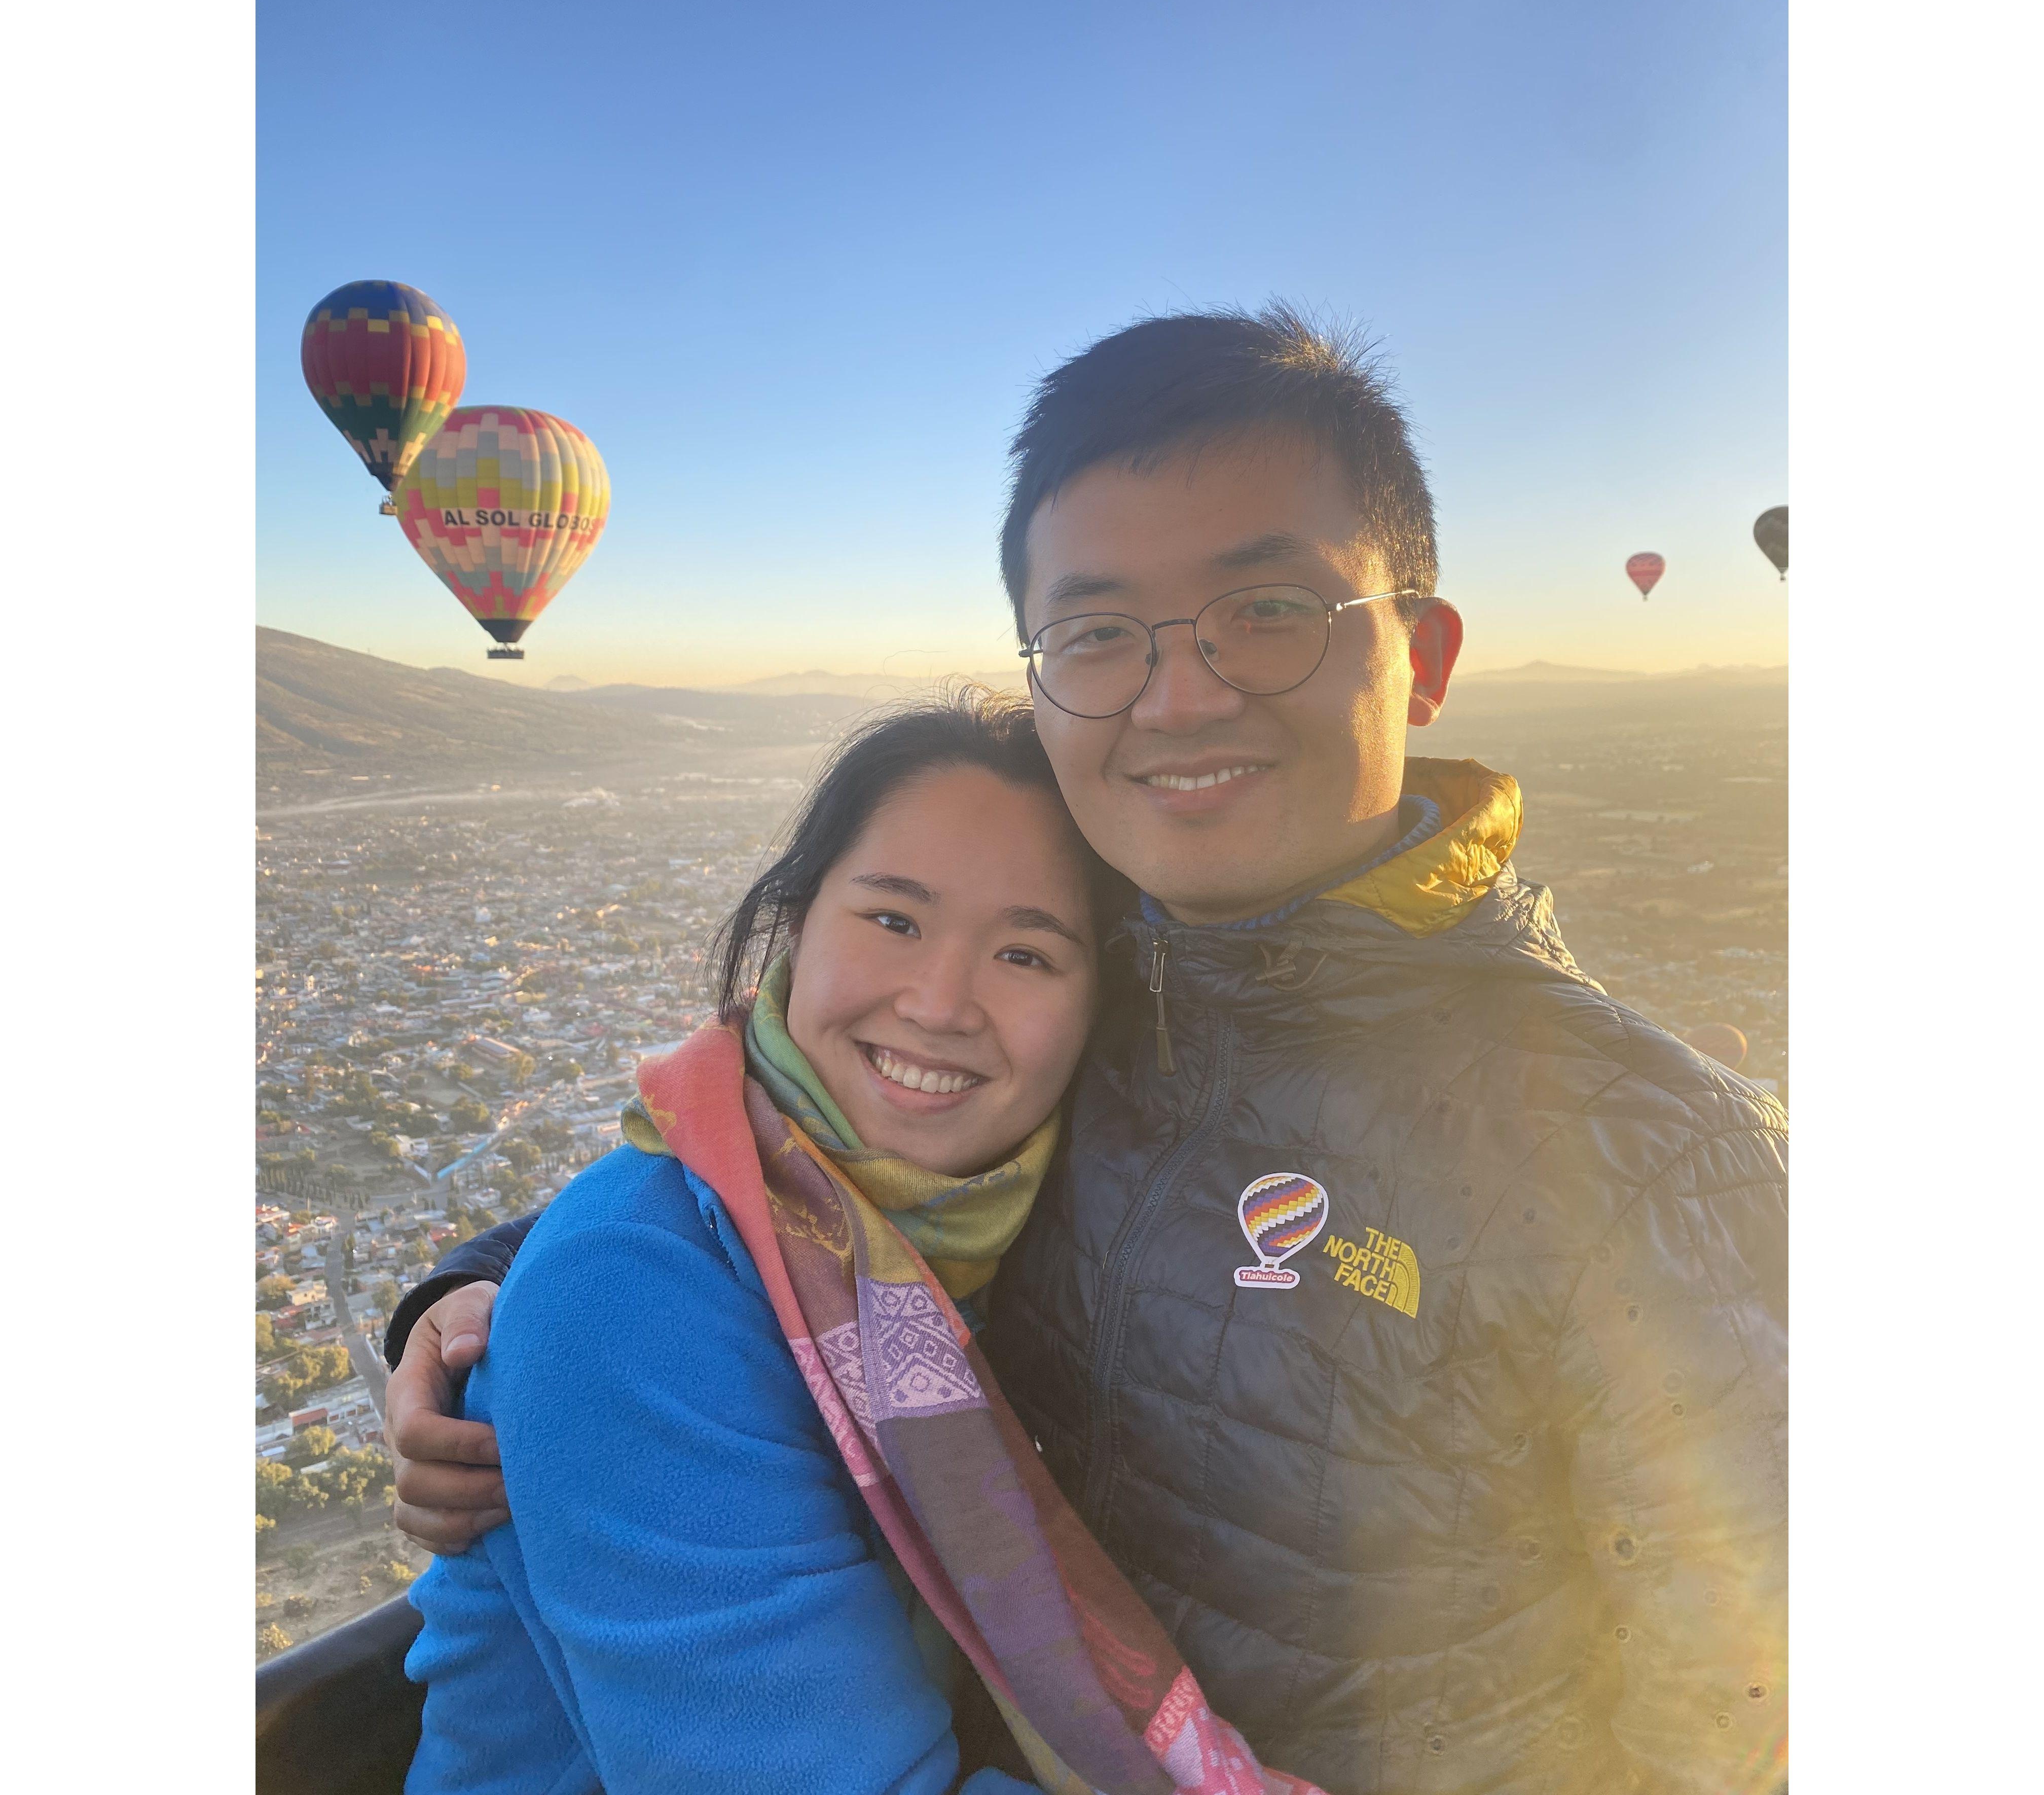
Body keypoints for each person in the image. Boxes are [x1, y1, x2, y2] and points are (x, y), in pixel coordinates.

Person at [388, 307, 1788, 1795]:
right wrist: (497, 1291)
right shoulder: (1094, 987)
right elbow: (796, 1176)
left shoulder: (1657, 1165)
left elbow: (1742, 1719)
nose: (1179, 698)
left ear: (1423, 657)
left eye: (1268, 612)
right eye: (1100, 635)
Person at [400, 690, 1328, 1795]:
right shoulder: (630, 1289)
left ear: (1102, 1004)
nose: (939, 1003)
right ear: (797, 921)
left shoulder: (1058, 1226)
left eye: (1027, 955)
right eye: (893, 920)